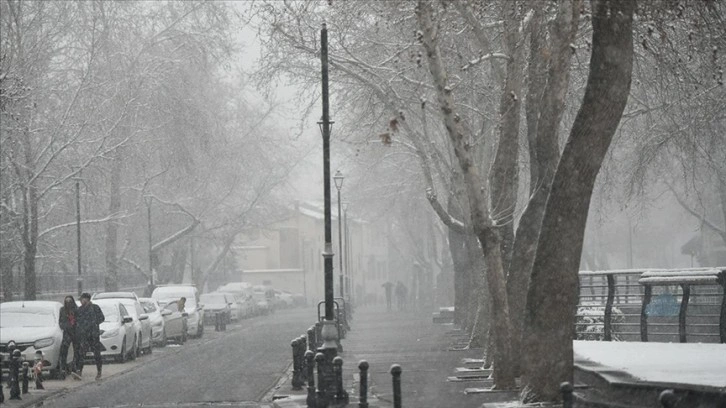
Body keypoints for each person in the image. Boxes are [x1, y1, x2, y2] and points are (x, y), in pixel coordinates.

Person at [76, 293, 105, 380]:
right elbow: (78, 321)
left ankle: (99, 371)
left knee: (96, 354)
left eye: (83, 299)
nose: (81, 301)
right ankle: (79, 371)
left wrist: (94, 324)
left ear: (87, 299)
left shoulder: (95, 308)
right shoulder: (80, 309)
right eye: (81, 300)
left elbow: (102, 318)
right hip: (84, 335)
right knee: (81, 354)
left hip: (93, 334)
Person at [58, 296, 80, 377]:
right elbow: (61, 321)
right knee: (64, 350)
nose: (68, 303)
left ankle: (76, 368)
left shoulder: (77, 310)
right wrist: (65, 327)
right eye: (66, 301)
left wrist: (76, 327)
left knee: (77, 350)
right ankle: (63, 368)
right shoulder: (62, 310)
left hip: (76, 332)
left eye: (70, 301)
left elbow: (79, 320)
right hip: (67, 332)